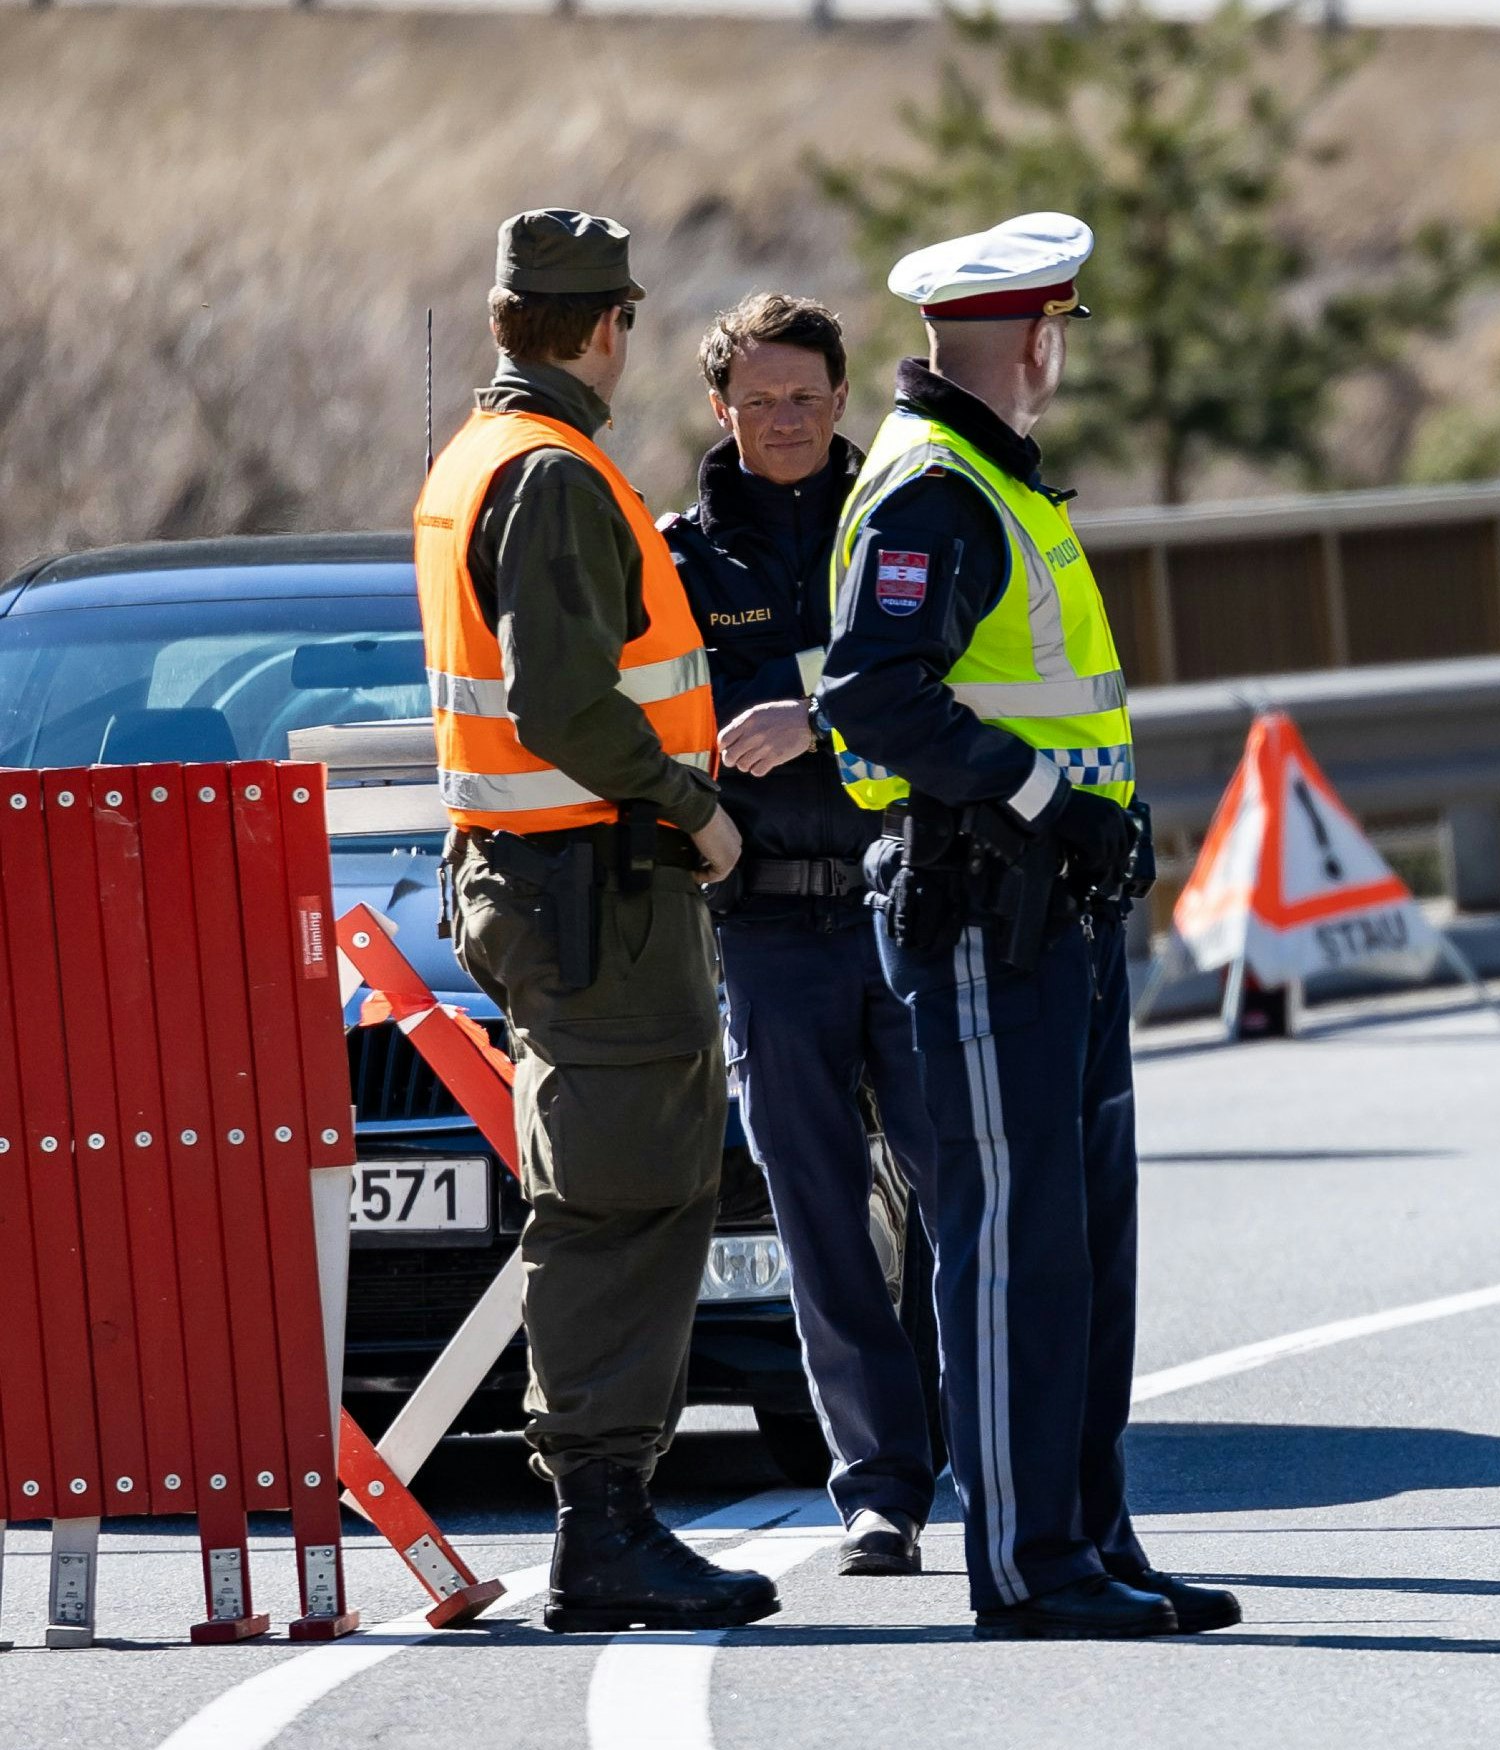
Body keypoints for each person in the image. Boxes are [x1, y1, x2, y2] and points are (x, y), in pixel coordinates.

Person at [819, 212, 1236, 1640]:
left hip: (1054, 914)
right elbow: (874, 692)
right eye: (1060, 326)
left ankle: (1087, 1533)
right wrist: (1047, 799)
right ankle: (1026, 1562)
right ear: (1036, 336)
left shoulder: (992, 480)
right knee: (1012, 1239)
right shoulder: (933, 490)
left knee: (1082, 1241)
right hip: (985, 913)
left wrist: (1074, 820)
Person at [411, 209, 778, 1634]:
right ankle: (607, 1525)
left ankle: (609, 1517)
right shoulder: (555, 474)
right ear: (608, 323)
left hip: (548, 878)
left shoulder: (475, 460)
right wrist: (693, 804)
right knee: (627, 1198)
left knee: (612, 1189)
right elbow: (566, 702)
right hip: (598, 885)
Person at [659, 293, 942, 1579]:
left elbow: (950, 680)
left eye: (809, 398)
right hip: (768, 930)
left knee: (968, 1200)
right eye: (761, 400)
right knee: (821, 1222)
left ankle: (994, 1459)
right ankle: (878, 1488)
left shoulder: (902, 522)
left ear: (844, 402)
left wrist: (818, 719)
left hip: (911, 903)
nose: (787, 421)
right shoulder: (673, 564)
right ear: (720, 410)